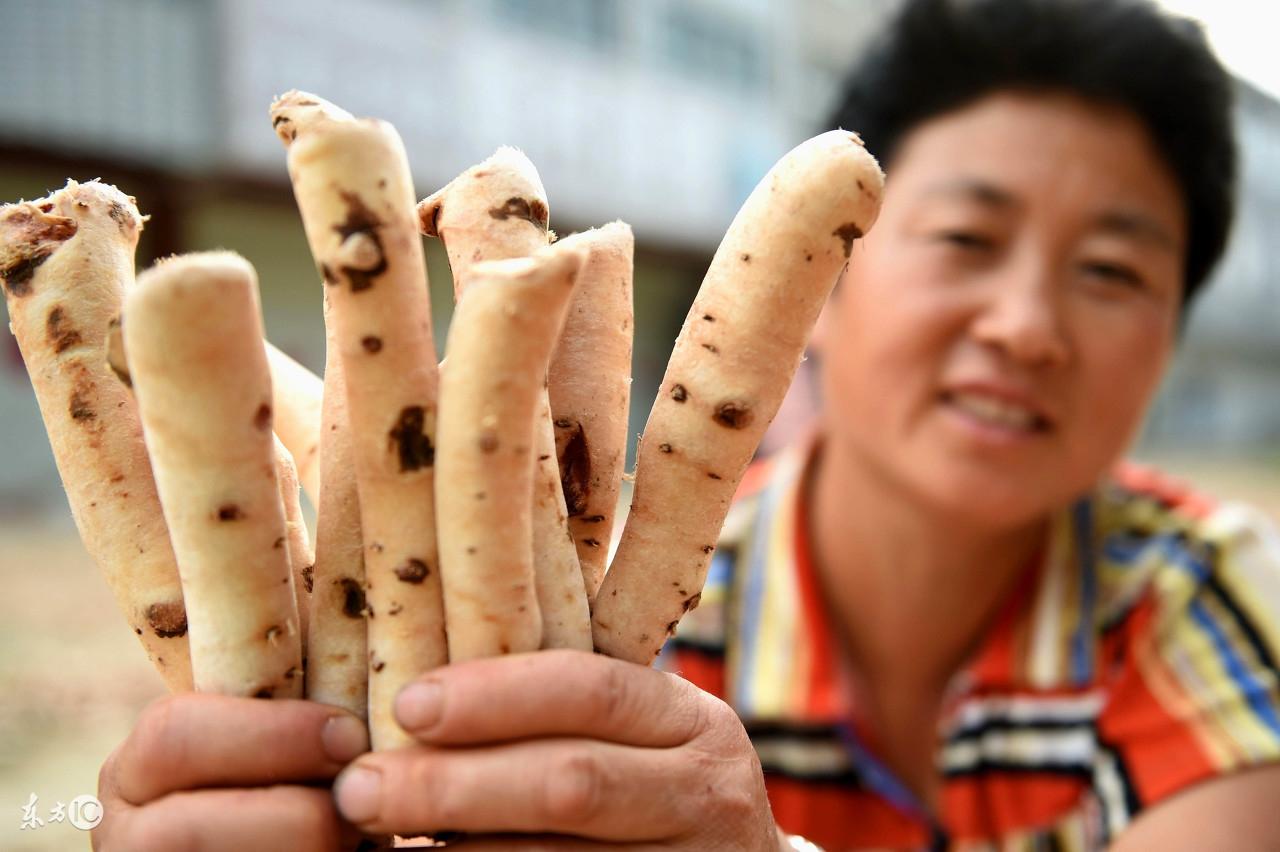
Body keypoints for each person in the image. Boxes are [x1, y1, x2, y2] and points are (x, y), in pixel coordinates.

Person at [92, 0, 1280, 849]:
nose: (1025, 326)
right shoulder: (652, 604)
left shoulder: (1204, 595)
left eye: (1112, 271)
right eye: (965, 240)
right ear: (817, 286)